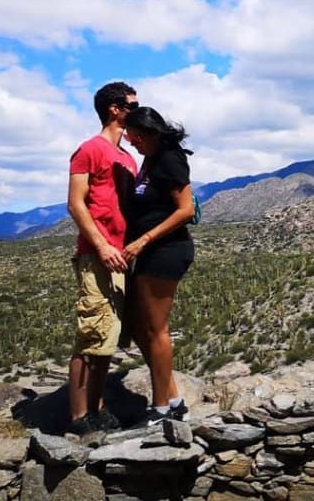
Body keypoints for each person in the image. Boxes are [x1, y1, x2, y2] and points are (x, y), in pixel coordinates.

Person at [65, 81, 138, 435]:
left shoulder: (127, 157)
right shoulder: (88, 150)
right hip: (98, 255)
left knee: (107, 336)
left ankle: (98, 407)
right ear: (114, 108)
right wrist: (102, 245)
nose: (136, 110)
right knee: (91, 333)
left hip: (123, 256)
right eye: (132, 105)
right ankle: (80, 416)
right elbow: (76, 203)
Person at [122, 105, 196, 425]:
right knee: (140, 327)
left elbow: (185, 210)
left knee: (156, 330)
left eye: (135, 137)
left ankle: (161, 408)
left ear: (149, 133)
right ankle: (174, 398)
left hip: (166, 250)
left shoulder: (168, 159)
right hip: (152, 252)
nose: (132, 142)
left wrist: (143, 240)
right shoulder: (150, 160)